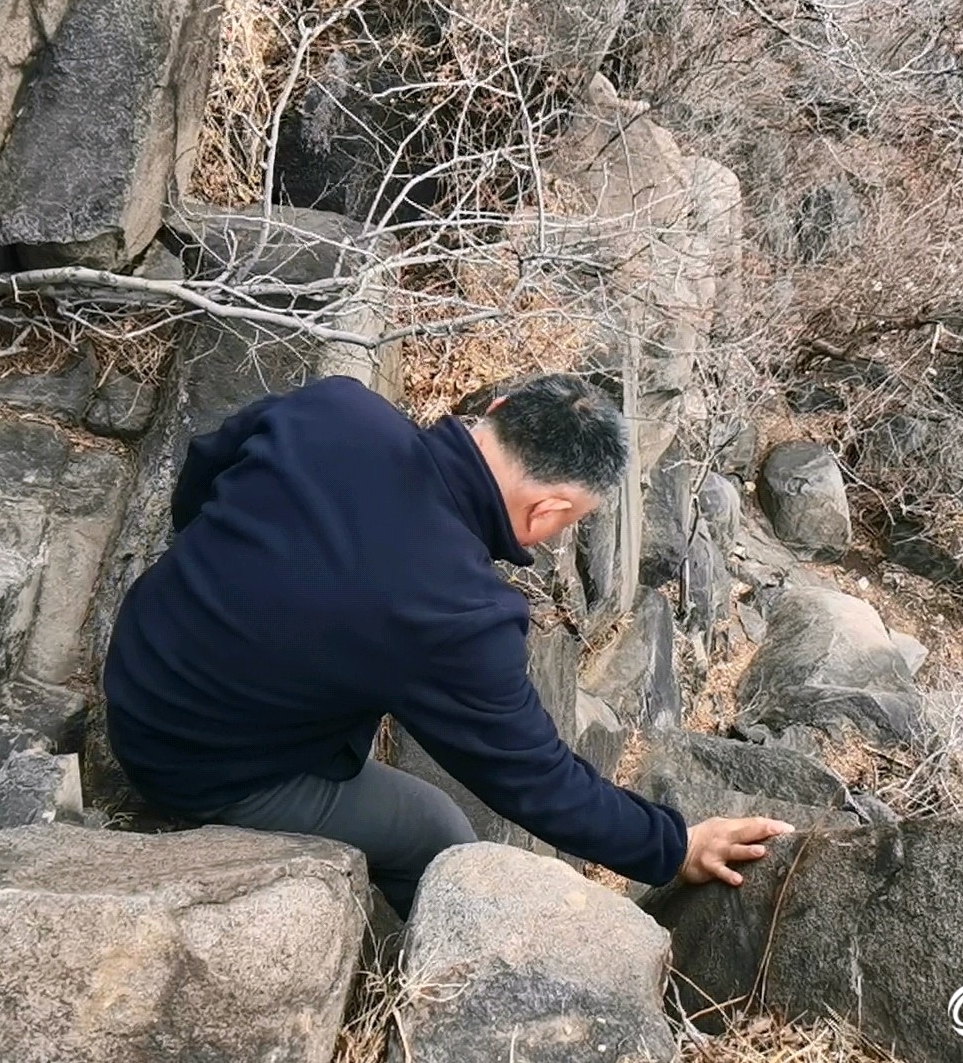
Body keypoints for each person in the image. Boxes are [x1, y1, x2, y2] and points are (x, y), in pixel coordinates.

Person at [102, 372, 791, 916]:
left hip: (140, 654)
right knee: (434, 827)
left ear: (497, 405)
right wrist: (676, 845)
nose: (555, 537)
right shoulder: (459, 612)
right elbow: (536, 779)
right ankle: (440, 988)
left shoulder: (340, 410)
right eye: (566, 523)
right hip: (185, 761)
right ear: (547, 510)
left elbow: (204, 467)